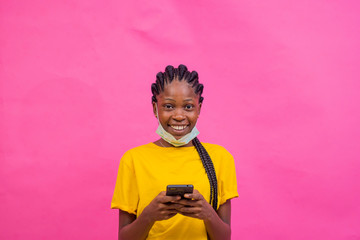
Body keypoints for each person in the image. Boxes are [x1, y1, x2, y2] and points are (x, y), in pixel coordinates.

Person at [111, 64, 238, 240]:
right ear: (155, 108)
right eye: (169, 106)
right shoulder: (133, 159)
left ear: (199, 108)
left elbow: (224, 238)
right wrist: (149, 215)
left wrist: (207, 213)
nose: (179, 115)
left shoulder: (220, 158)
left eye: (188, 107)